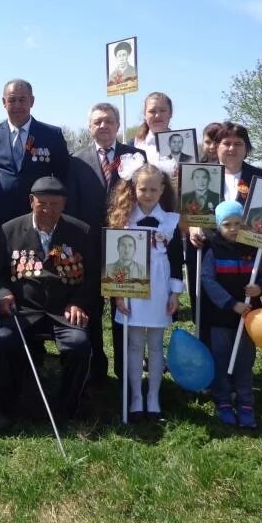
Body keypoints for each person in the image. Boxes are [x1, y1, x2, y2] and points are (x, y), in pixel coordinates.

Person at [0, 176, 94, 426]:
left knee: (79, 344)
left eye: (55, 205)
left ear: (64, 204)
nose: (48, 210)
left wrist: (78, 302)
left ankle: (67, 408)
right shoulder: (9, 230)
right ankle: (7, 407)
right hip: (22, 310)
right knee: (3, 341)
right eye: (42, 204)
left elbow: (91, 278)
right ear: (31, 201)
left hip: (63, 311)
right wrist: (3, 294)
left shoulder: (81, 231)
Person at [65, 102, 145, 381]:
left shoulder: (136, 156)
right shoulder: (76, 161)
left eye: (108, 121)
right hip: (89, 247)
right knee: (91, 309)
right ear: (90, 127)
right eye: (97, 121)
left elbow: (144, 200)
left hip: (126, 246)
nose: (103, 126)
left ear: (118, 125)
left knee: (124, 309)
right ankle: (96, 368)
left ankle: (126, 371)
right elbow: (71, 206)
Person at [107, 160, 184, 420]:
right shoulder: (124, 220)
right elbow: (114, 259)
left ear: (162, 190)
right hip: (132, 287)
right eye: (143, 189)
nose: (148, 194)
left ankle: (153, 395)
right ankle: (136, 396)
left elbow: (176, 260)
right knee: (134, 342)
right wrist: (118, 293)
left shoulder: (171, 222)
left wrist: (175, 292)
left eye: (153, 189)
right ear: (134, 189)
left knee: (155, 342)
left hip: (160, 287)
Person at [188, 122, 262, 340]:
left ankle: (238, 363)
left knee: (241, 308)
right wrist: (194, 227)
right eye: (226, 143)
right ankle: (210, 363)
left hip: (244, 257)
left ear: (246, 148)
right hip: (210, 253)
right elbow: (190, 213)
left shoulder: (259, 177)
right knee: (208, 310)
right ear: (217, 147)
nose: (231, 148)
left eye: (238, 144)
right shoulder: (203, 174)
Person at [201, 201, 262, 429]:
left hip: (249, 319)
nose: (233, 228)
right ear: (218, 226)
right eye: (227, 224)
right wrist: (231, 304)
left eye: (238, 223)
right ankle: (222, 401)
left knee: (244, 362)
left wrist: (260, 288)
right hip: (221, 317)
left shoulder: (254, 249)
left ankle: (245, 403)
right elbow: (207, 280)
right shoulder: (213, 250)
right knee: (221, 359)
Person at [0, 79, 69, 245]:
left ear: (32, 101)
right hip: (0, 222)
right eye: (12, 100)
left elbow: (63, 177)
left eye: (22, 99)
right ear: (4, 102)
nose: (17, 105)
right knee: (1, 270)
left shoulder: (52, 135)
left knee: (37, 269)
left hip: (41, 220)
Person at [131, 92, 173, 157]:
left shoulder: (185, 145)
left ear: (170, 113)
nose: (157, 115)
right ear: (145, 115)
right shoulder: (133, 146)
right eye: (152, 111)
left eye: (162, 110)